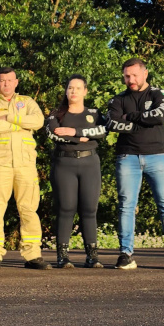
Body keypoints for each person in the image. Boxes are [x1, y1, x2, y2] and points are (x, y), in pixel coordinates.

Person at [106, 58, 164, 270]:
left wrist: (130, 117)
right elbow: (112, 123)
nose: (130, 80)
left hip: (157, 156)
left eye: (134, 75)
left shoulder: (159, 94)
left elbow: (160, 116)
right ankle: (125, 253)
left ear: (145, 73)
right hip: (127, 157)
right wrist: (141, 121)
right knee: (126, 206)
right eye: (126, 76)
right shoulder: (118, 99)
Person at [0, 67, 50, 270]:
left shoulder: (27, 101)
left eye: (10, 80)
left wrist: (10, 118)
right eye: (2, 81)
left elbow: (38, 121)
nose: (6, 84)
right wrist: (22, 123)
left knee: (29, 209)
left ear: (16, 82)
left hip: (25, 164)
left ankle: (33, 254)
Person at [45, 74, 106, 269]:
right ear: (66, 90)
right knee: (66, 208)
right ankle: (63, 256)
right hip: (64, 164)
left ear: (85, 91)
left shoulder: (95, 114)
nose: (74, 91)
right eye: (70, 88)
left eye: (78, 88)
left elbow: (103, 131)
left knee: (89, 209)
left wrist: (74, 132)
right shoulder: (56, 114)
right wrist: (83, 137)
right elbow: (54, 135)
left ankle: (92, 256)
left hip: (90, 163)